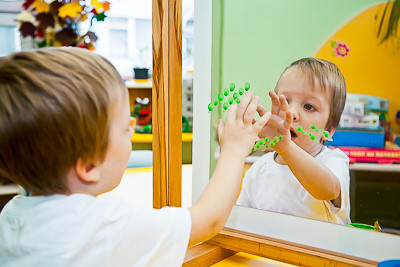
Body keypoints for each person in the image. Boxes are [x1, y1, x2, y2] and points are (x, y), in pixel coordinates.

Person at [0, 47, 271, 266]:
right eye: (124, 127)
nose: (132, 126)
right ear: (89, 166)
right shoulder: (105, 227)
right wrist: (234, 150)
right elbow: (209, 219)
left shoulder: (11, 216)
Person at [236, 57, 351, 225]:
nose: (291, 112)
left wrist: (287, 148)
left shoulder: (333, 161)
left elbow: (329, 190)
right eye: (285, 101)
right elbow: (241, 223)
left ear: (328, 130)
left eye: (309, 107)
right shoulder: (259, 169)